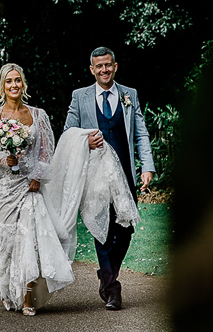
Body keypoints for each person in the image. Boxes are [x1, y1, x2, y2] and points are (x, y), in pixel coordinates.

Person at [0, 63, 74, 315]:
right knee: (9, 240)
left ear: (23, 84)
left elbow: (45, 152)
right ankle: (7, 291)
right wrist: (3, 159)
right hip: (4, 188)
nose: (13, 85)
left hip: (29, 185)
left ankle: (28, 297)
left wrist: (38, 177)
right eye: (9, 81)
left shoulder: (38, 115)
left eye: (17, 80)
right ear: (2, 86)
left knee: (31, 237)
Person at [63, 46, 154, 310]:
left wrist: (146, 167)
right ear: (92, 70)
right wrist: (85, 141)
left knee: (125, 231)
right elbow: (69, 134)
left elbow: (141, 134)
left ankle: (105, 274)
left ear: (115, 66)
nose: (104, 70)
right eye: (98, 66)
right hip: (95, 176)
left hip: (125, 174)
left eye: (108, 65)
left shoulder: (130, 95)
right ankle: (113, 289)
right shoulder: (80, 97)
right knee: (101, 230)